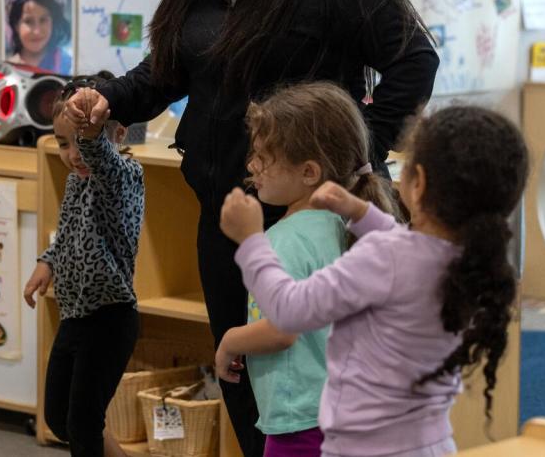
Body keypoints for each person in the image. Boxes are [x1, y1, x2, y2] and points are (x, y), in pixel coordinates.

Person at [65, 0, 439, 454]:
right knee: (243, 375)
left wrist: (358, 142)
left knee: (309, 378)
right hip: (228, 214)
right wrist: (108, 98)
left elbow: (415, 60)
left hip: (307, 216)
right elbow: (166, 73)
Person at [222, 106, 528, 456]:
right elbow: (407, 255)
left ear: (420, 182)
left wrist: (250, 241)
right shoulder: (469, 266)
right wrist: (360, 213)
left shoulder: (387, 257)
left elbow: (289, 311)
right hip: (433, 444)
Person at [214, 83, 399, 457]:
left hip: (302, 419)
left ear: (309, 171)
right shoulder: (347, 225)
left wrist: (231, 339)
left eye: (264, 156)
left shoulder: (288, 239)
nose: (251, 165)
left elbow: (284, 328)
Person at [23, 73, 144, 457]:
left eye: (82, 140)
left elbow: (101, 160)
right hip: (75, 315)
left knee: (84, 425)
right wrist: (48, 262)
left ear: (119, 134)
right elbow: (69, 231)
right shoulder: (76, 181)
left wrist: (90, 136)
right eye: (63, 143)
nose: (73, 154)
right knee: (60, 419)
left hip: (110, 317)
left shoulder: (123, 176)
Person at [5, 0, 73, 75]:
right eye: (28, 21)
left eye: (43, 20)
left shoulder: (69, 66)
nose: (37, 31)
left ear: (53, 21)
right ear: (16, 25)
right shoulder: (6, 72)